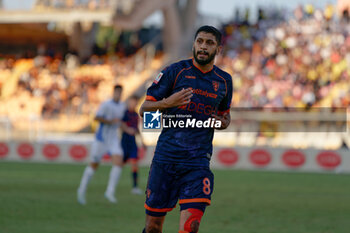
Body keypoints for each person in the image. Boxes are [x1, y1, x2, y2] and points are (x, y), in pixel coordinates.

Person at [139, 26, 232, 233]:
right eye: (199, 41)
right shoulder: (174, 72)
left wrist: (224, 123)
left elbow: (224, 116)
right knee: (153, 227)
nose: (203, 47)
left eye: (209, 43)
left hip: (197, 163)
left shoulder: (224, 81)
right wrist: (167, 103)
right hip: (165, 160)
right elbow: (144, 111)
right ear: (193, 44)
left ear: (218, 49)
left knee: (191, 227)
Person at [77, 84, 125, 205]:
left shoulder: (122, 106)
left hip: (113, 139)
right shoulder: (106, 104)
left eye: (120, 92)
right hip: (101, 139)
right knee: (93, 166)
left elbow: (121, 122)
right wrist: (110, 121)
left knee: (118, 161)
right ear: (113, 92)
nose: (118, 94)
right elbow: (97, 118)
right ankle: (81, 190)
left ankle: (110, 192)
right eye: (116, 92)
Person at [121, 95, 146, 195]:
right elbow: (121, 124)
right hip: (124, 142)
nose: (134, 104)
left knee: (135, 163)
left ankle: (135, 187)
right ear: (129, 102)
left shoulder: (136, 115)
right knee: (120, 165)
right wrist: (127, 130)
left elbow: (137, 130)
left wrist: (142, 142)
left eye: (135, 102)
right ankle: (112, 184)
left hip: (133, 142)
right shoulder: (124, 113)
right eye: (132, 101)